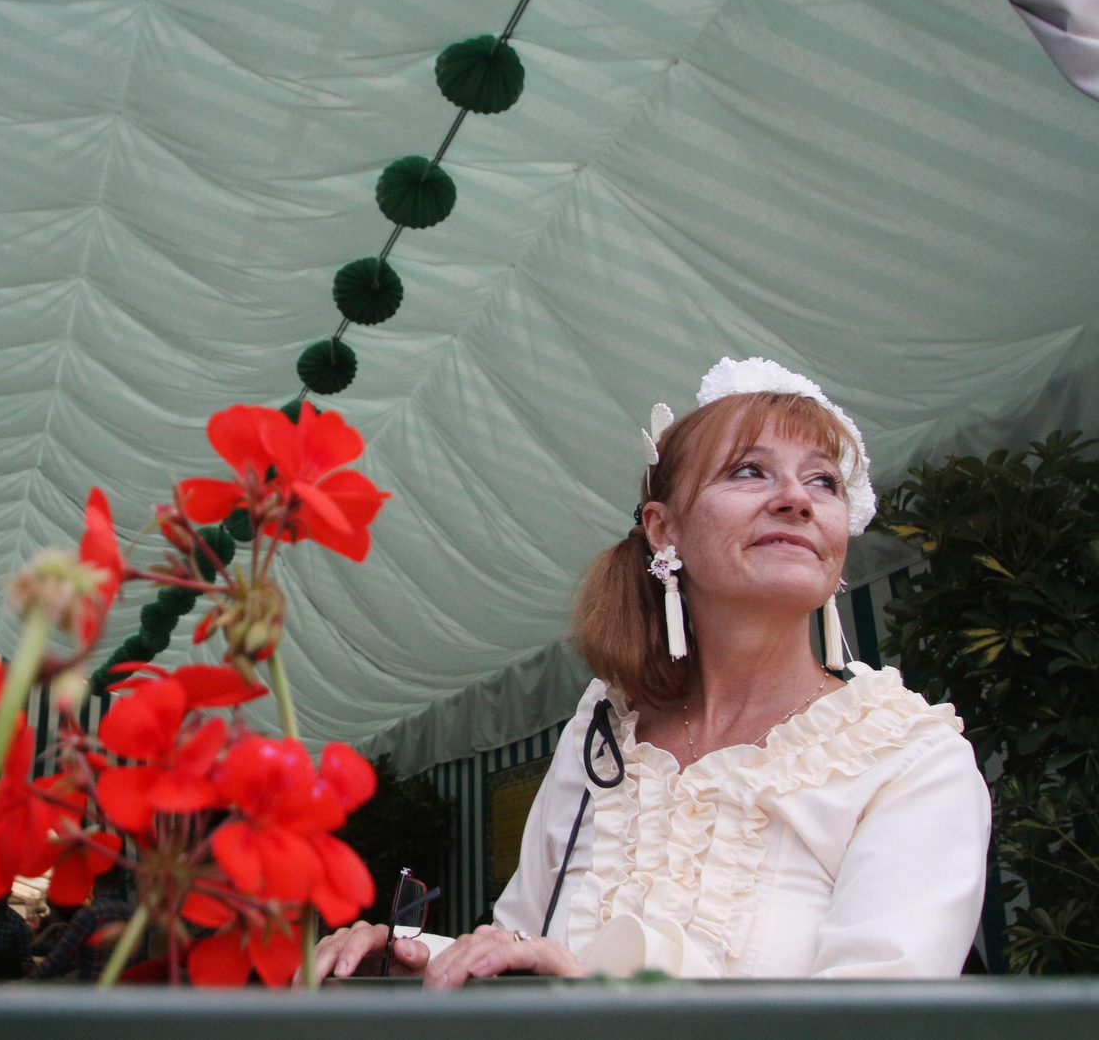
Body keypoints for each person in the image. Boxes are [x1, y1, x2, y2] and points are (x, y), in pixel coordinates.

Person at [314, 357, 991, 986]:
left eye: (824, 481)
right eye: (750, 471)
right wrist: (411, 964)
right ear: (665, 530)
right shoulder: (604, 731)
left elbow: (878, 1027)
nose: (796, 498)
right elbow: (523, 942)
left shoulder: (907, 755)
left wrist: (593, 995)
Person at [29, 866, 136, 981]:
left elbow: (58, 958)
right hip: (124, 987)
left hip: (93, 988)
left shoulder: (89, 914)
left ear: (93, 880)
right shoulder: (131, 913)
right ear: (118, 881)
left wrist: (27, 981)